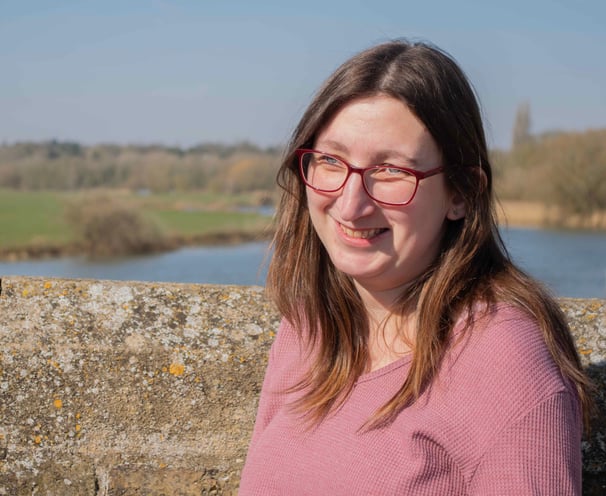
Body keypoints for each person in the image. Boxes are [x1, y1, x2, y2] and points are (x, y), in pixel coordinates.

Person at [239, 39, 592, 495]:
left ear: (461, 193)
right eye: (330, 160)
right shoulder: (308, 327)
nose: (351, 204)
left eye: (391, 171)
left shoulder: (504, 366)